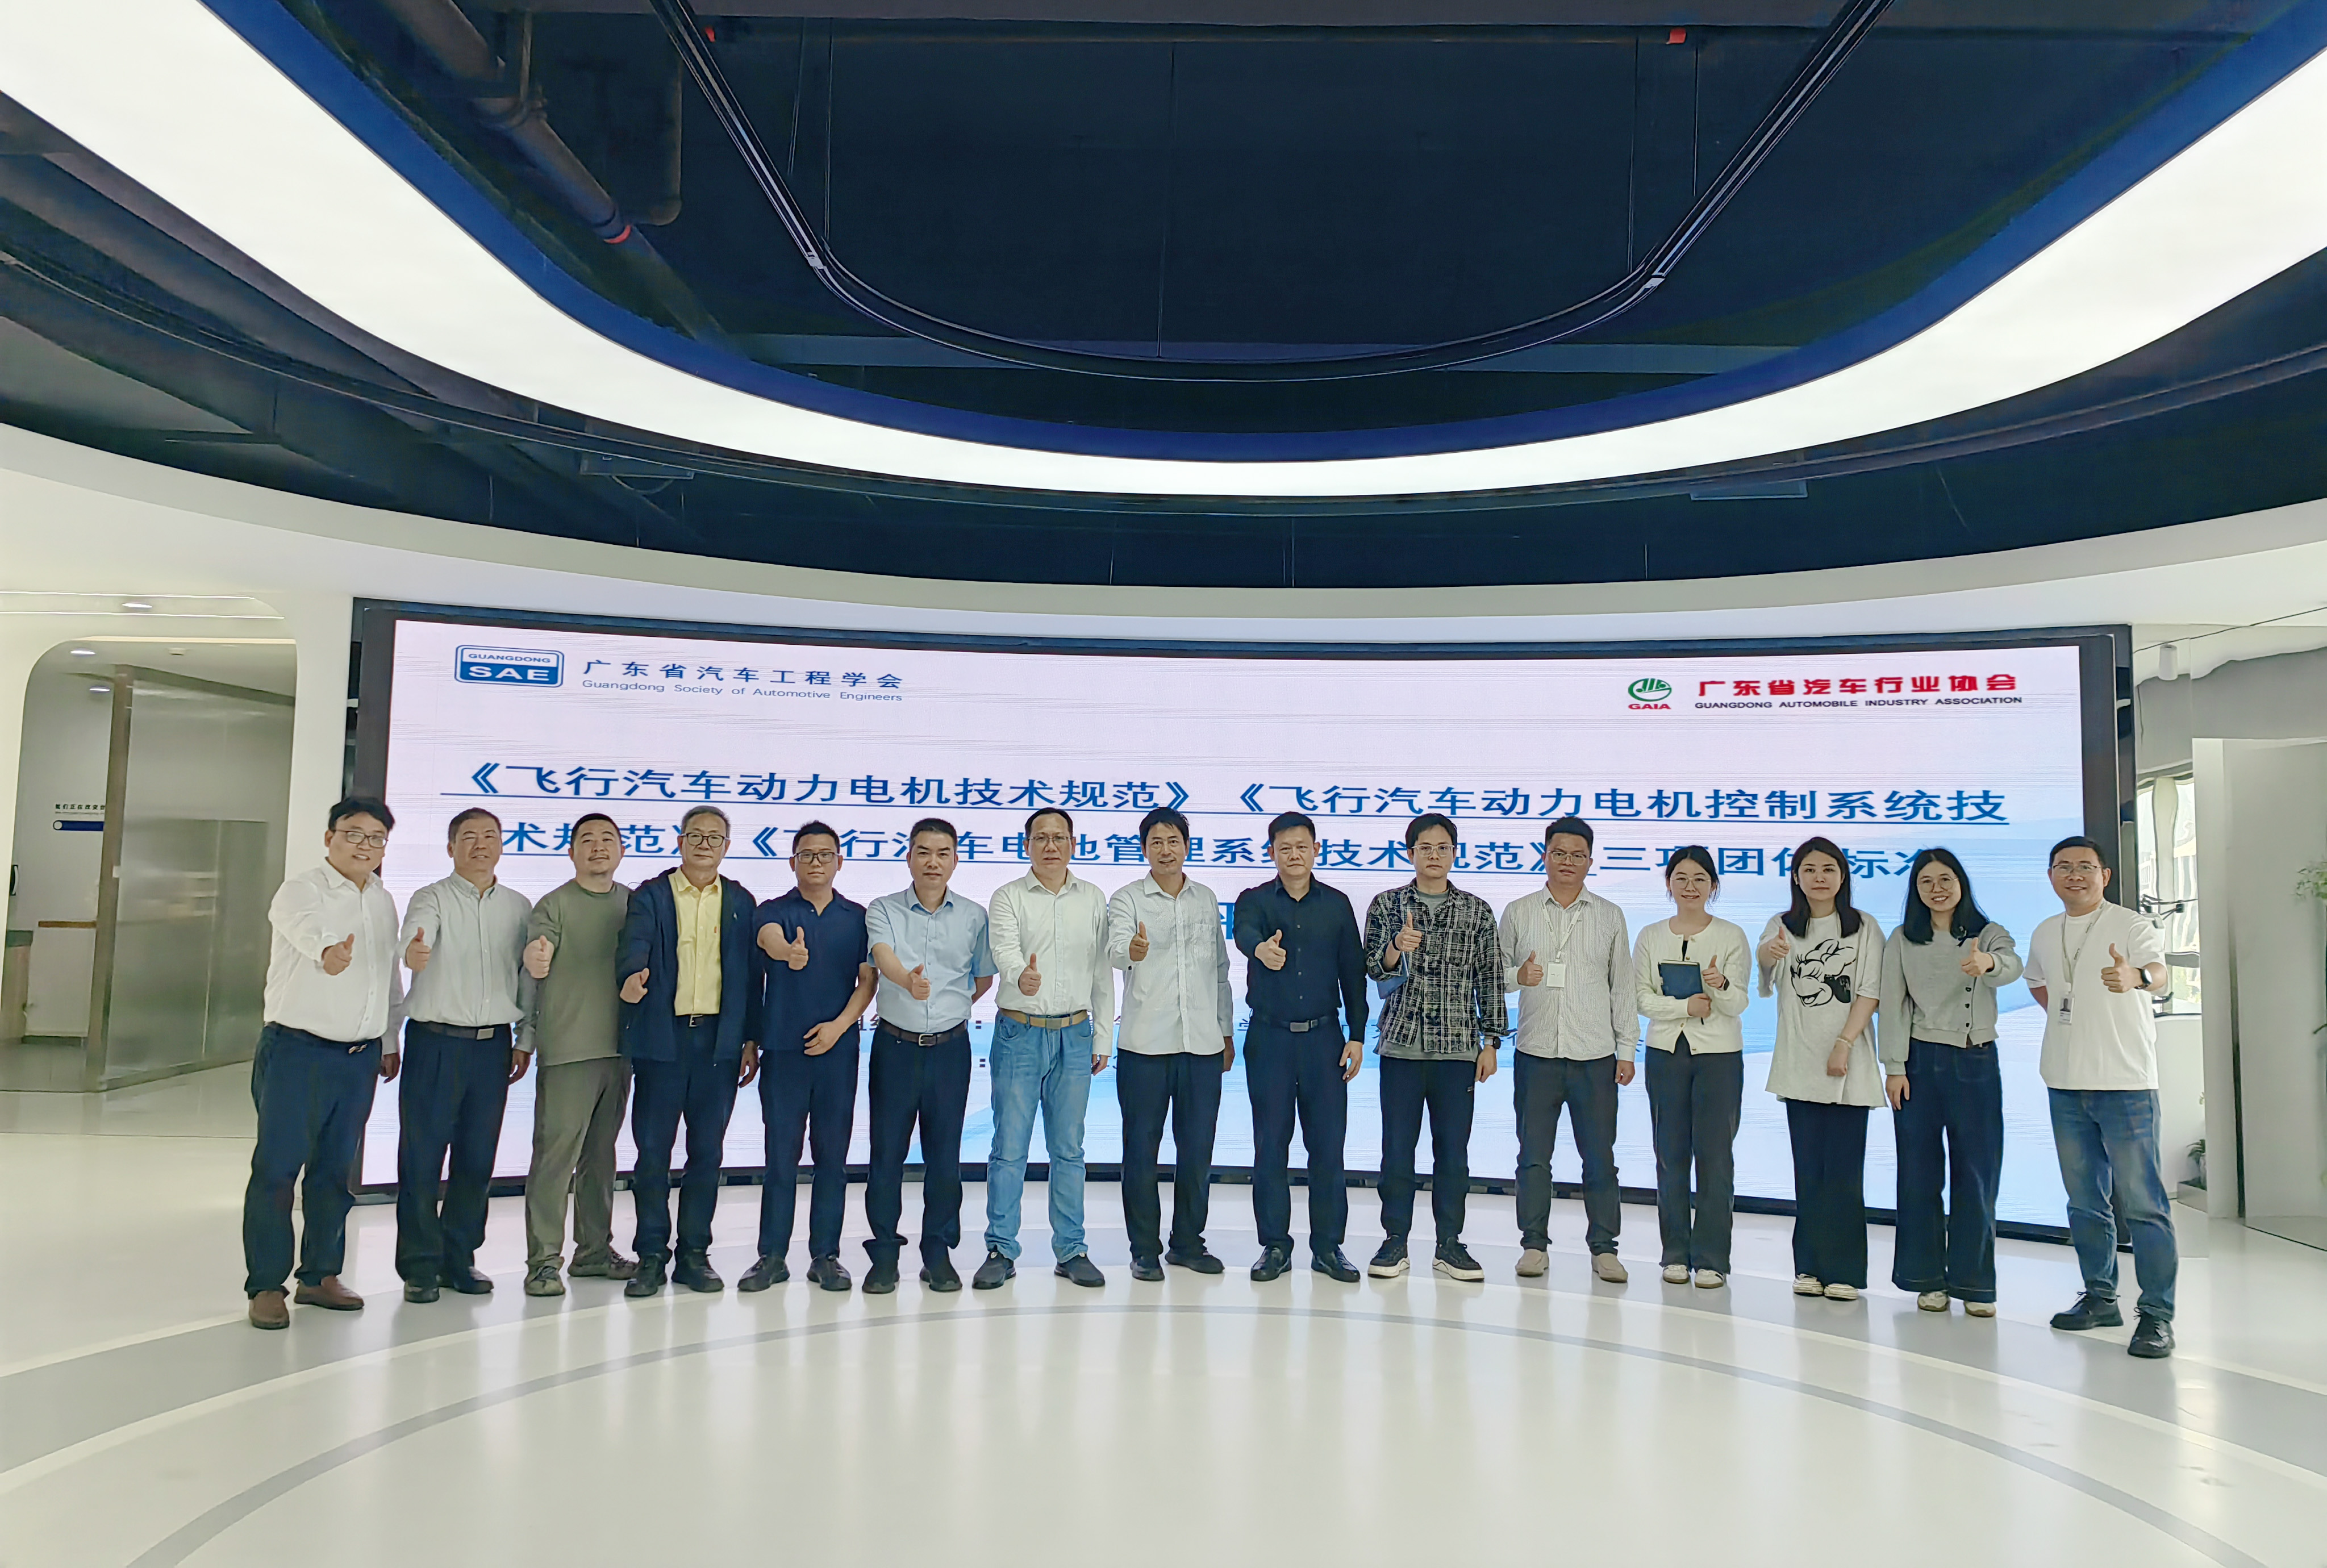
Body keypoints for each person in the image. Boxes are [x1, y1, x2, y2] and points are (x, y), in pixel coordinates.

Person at [243, 798, 403, 1330]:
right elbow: (307, 932)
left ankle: (320, 1276)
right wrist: (328, 951)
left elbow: (386, 976)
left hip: (358, 1057)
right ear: (330, 837)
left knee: (334, 1174)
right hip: (298, 1052)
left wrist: (388, 1037)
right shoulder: (301, 890)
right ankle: (267, 1285)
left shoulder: (382, 899)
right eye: (353, 833)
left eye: (376, 837)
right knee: (277, 1171)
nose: (365, 845)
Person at [2025, 835, 2176, 1359]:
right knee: (2085, 1203)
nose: (2075, 875)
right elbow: (2039, 984)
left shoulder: (2131, 926)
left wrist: (2136, 976)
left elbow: (2160, 975)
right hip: (2065, 1083)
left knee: (2144, 1205)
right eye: (2063, 866)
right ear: (2051, 876)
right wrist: (2075, 1019)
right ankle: (2100, 1297)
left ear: (2104, 876)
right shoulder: (2046, 931)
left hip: (2126, 1083)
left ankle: (2156, 1316)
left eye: (2085, 867)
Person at [616, 805, 759, 1299]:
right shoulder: (651, 895)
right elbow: (633, 946)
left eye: (714, 838)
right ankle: (651, 1255)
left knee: (707, 1153)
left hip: (718, 1043)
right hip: (663, 1039)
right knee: (653, 1153)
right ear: (679, 842)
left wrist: (750, 1038)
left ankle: (695, 1254)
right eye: (695, 836)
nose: (704, 844)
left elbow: (749, 976)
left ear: (726, 847)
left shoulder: (739, 901)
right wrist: (632, 977)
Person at [395, 807, 533, 1303]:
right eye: (469, 837)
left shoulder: (519, 907)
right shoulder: (430, 897)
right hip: (435, 1043)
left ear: (502, 845)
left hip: (492, 1048)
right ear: (451, 848)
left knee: (477, 1159)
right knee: (422, 1158)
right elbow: (416, 936)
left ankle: (460, 1258)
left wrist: (525, 1038)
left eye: (490, 836)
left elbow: (527, 977)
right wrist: (414, 951)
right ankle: (419, 1266)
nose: (480, 845)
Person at [1363, 814, 1508, 1282]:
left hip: (1457, 1049)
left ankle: (1450, 1244)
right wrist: (1395, 946)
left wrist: (1491, 1041)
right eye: (1424, 847)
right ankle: (1395, 1240)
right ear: (1410, 853)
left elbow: (1489, 977)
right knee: (1397, 1150)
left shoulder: (1476, 911)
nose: (1434, 855)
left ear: (1454, 854)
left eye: (1443, 847)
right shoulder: (1388, 904)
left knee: (1453, 1153)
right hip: (1402, 1046)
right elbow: (1373, 968)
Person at [1880, 847, 2021, 1319]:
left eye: (1946, 879)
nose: (1937, 889)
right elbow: (1893, 1004)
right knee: (1918, 1174)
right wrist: (1894, 1067)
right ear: (1915, 890)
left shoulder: (1987, 933)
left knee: (1977, 1174)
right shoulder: (1903, 939)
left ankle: (1975, 1283)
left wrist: (1988, 966)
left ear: (1961, 883)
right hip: (1919, 1061)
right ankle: (1925, 1279)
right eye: (1926, 882)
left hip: (1974, 1059)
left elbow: (2011, 965)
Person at [980, 808, 1115, 1290]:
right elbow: (1004, 949)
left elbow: (1101, 971)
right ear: (1027, 846)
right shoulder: (1008, 897)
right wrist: (1022, 975)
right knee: (1009, 1148)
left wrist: (1103, 1036)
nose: (1051, 846)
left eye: (1060, 838)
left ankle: (1072, 1249)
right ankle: (1000, 1249)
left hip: (1075, 1034)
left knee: (1069, 1150)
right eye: (1041, 838)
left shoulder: (1093, 898)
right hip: (1020, 1033)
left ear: (1074, 844)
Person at [741, 822, 876, 1294]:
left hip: (837, 1053)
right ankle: (772, 1256)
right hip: (784, 1052)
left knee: (832, 1159)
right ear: (792, 862)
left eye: (825, 854)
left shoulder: (858, 918)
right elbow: (769, 940)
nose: (816, 862)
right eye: (806, 855)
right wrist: (789, 954)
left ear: (840, 862)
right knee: (780, 1157)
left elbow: (867, 982)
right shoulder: (773, 911)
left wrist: (839, 1027)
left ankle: (826, 1256)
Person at [1233, 811, 1368, 1284]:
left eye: (1302, 847)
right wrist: (1260, 950)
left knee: (1327, 1146)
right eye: (1285, 848)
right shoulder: (1253, 900)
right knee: (1271, 1144)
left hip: (1324, 1039)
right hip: (1269, 1038)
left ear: (1316, 850)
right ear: (1271, 852)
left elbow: (1353, 972)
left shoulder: (1337, 904)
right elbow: (1244, 933)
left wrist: (1357, 1034)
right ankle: (1275, 1245)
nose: (1294, 855)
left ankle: (1328, 1247)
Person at [1500, 816, 1636, 1283]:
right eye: (1559, 853)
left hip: (1594, 1056)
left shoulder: (1609, 915)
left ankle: (1605, 1249)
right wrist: (1519, 976)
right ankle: (1533, 1245)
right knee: (1533, 1157)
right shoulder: (1518, 911)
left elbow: (1622, 986)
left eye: (1578, 855)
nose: (1568, 862)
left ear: (1590, 862)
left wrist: (1626, 1049)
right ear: (1545, 856)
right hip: (1536, 1053)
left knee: (1600, 1159)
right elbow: (1493, 975)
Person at [864, 819, 997, 1295]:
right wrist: (908, 982)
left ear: (955, 860)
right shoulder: (883, 909)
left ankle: (937, 1254)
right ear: (909, 858)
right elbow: (883, 956)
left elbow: (982, 978)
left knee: (945, 1156)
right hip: (894, 1048)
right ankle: (884, 1255)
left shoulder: (975, 917)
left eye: (943, 853)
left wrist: (948, 1009)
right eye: (924, 852)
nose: (933, 862)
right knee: (886, 1155)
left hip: (949, 1050)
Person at [1108, 806, 1235, 1280]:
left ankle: (1187, 1243)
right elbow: (1115, 950)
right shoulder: (1127, 899)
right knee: (1141, 1151)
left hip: (1201, 1045)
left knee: (1197, 1150)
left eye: (1173, 841)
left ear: (1186, 846)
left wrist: (1225, 1030)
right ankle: (1144, 1249)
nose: (1165, 850)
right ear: (1144, 849)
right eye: (1156, 842)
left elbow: (1219, 970)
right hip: (1144, 1046)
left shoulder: (1206, 899)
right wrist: (1132, 950)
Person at [1758, 837, 1886, 1303]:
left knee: (1845, 1175)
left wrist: (1844, 1043)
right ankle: (1809, 1266)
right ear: (1796, 877)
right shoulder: (1782, 925)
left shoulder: (1864, 926)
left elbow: (1870, 991)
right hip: (1800, 1062)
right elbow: (1767, 980)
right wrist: (1767, 956)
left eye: (1828, 869)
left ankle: (1845, 1271)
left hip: (1848, 1061)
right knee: (1809, 1172)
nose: (1819, 877)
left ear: (1843, 876)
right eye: (1809, 870)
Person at [519, 812, 637, 1296]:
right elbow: (534, 958)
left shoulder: (633, 903)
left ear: (622, 850)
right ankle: (543, 1262)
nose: (598, 847)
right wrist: (535, 959)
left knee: (601, 1159)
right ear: (571, 852)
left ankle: (593, 1252)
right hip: (569, 1050)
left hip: (621, 1050)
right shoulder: (554, 905)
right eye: (587, 840)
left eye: (608, 839)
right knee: (555, 1160)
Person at [1633, 846, 1750, 1289]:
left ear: (1713, 886)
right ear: (1668, 884)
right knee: (1670, 1155)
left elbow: (1739, 1003)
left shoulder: (1731, 935)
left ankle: (1713, 1258)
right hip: (1666, 1053)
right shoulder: (1650, 936)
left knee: (1716, 1158)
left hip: (1719, 1056)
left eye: (1700, 879)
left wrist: (1719, 986)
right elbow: (1641, 998)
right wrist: (1684, 1006)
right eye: (1681, 878)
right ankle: (1675, 1254)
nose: (1690, 887)